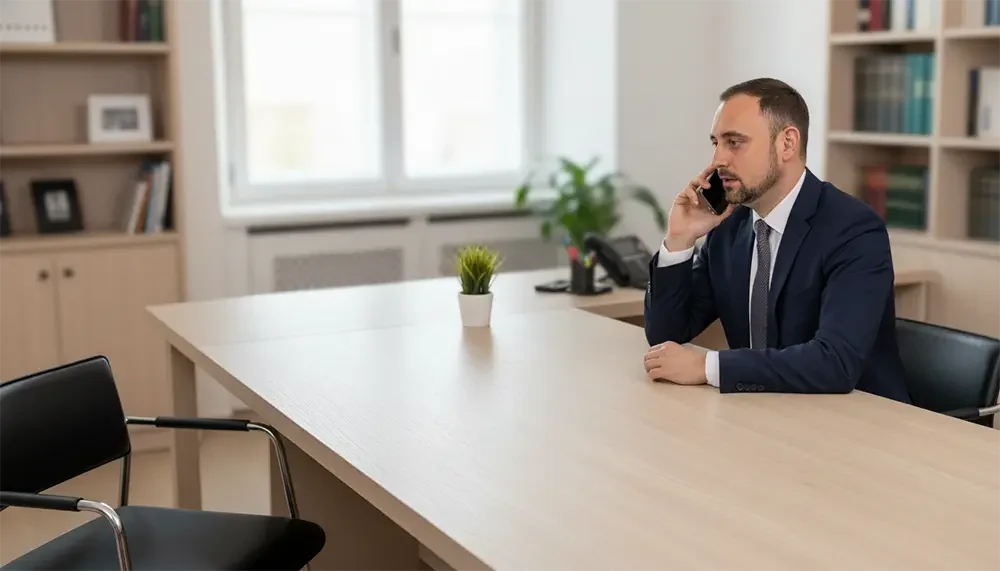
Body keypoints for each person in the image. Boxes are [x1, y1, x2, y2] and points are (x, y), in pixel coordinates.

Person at [642, 77, 911, 403]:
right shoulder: (730, 225)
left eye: (734, 142)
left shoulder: (853, 228)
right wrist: (679, 240)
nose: (718, 160)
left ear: (787, 144)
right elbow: (666, 335)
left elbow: (835, 362)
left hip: (857, 422)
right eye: (716, 143)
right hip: (767, 412)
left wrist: (707, 366)